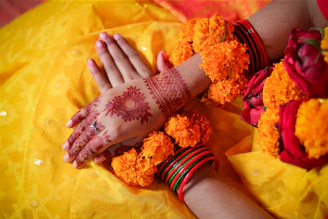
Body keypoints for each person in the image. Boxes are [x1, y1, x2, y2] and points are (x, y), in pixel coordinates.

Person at [1, 0, 327, 218]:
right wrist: (166, 89)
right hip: (222, 61)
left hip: (220, 190)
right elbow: (310, 8)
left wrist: (174, 159)